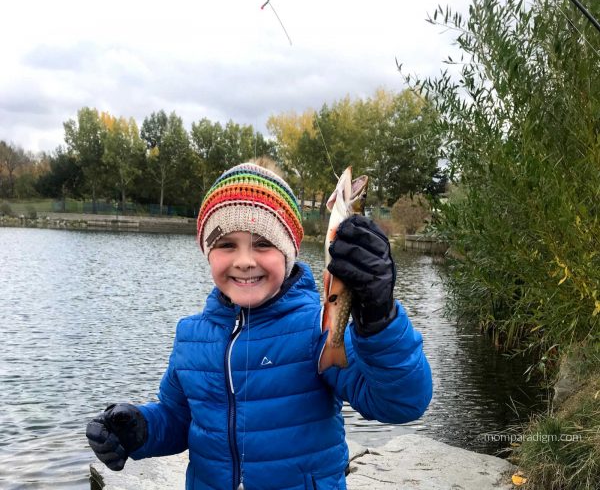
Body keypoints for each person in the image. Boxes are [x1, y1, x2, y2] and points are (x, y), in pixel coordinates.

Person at [86, 161, 432, 490]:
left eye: (263, 244)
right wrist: (140, 429)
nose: (245, 261)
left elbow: (401, 403)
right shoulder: (191, 335)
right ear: (208, 253)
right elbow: (179, 419)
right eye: (226, 244)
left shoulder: (317, 327)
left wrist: (378, 318)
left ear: (289, 252)